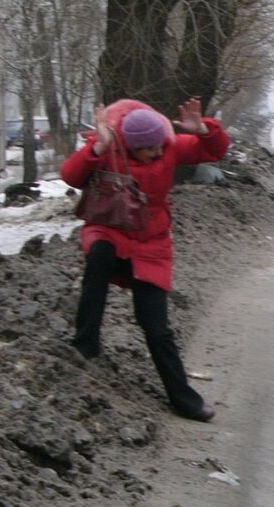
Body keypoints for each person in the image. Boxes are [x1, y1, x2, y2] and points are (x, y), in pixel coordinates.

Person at [61, 98, 230, 422]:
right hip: (110, 227)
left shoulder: (169, 146)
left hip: (152, 242)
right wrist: (97, 149)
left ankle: (185, 400)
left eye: (158, 147)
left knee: (156, 325)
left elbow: (216, 151)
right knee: (99, 257)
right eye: (147, 149)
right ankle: (86, 343)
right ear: (131, 145)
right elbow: (70, 175)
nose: (156, 152)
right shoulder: (109, 146)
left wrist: (205, 130)